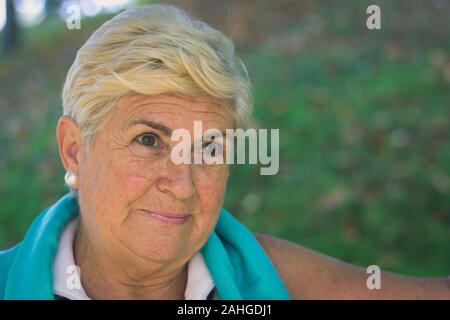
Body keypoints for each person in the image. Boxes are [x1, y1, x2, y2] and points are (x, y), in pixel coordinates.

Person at [0, 4, 448, 300]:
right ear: (74, 149)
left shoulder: (275, 280)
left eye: (208, 148)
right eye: (149, 140)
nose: (182, 184)